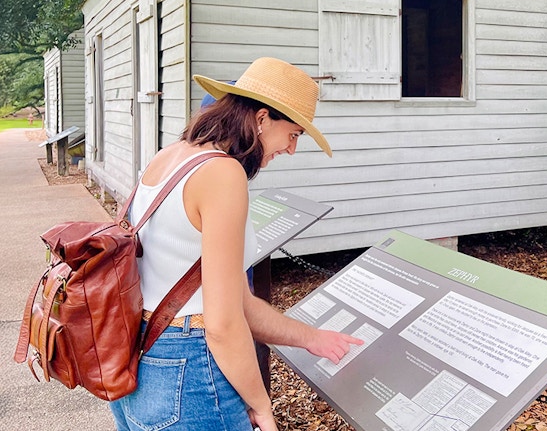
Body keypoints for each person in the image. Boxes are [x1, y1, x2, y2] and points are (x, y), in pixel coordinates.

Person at [110, 57, 361, 431]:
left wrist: (312, 338)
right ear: (261, 120)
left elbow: (235, 301)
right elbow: (223, 324)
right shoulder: (222, 173)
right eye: (293, 133)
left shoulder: (170, 157)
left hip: (136, 357)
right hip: (189, 369)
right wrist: (261, 406)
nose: (291, 149)